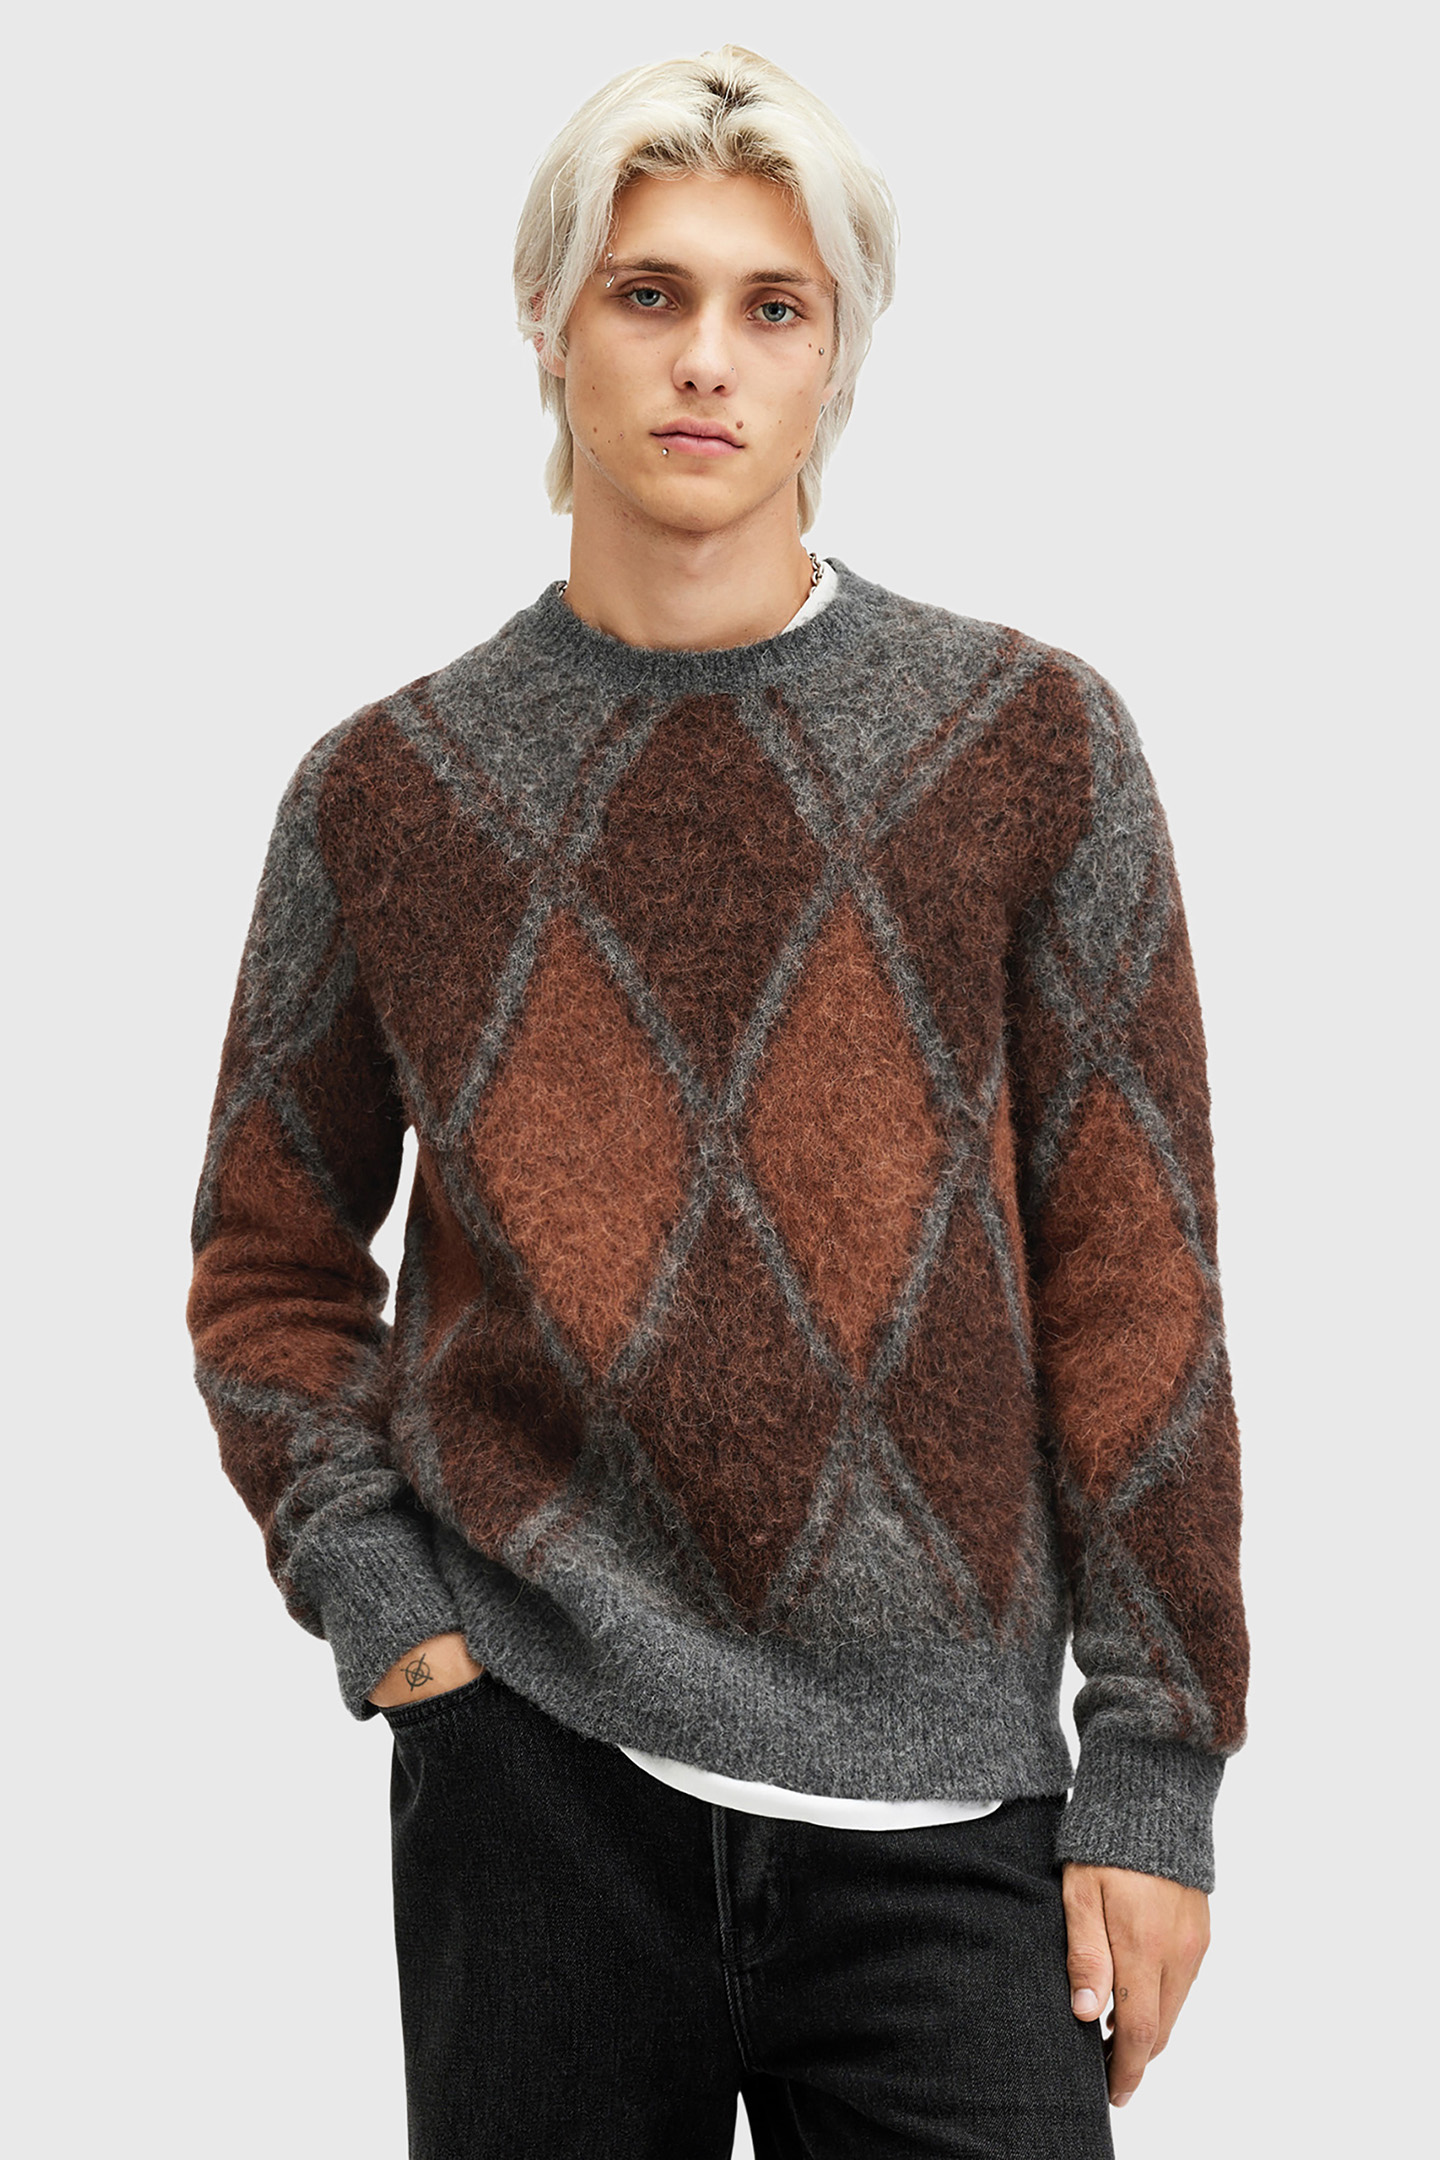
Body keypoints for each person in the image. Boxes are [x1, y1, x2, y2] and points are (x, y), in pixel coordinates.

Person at [186, 43, 1249, 2158]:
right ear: (548, 317)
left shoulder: (1028, 747)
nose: (707, 360)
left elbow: (1136, 1284)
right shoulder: (389, 797)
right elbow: (270, 1264)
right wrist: (392, 1617)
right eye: (648, 291)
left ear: (835, 353)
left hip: (954, 1805)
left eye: (774, 307)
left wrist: (1155, 1775)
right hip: (537, 1775)